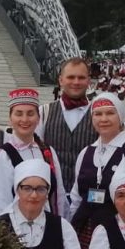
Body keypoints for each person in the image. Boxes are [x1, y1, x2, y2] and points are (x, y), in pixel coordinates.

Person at [68, 92, 125, 249]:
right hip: (84, 230)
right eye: (98, 114)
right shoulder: (86, 152)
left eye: (110, 113)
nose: (103, 119)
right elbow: (76, 197)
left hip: (122, 233)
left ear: (121, 116)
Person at [0, 88, 66, 218]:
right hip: (16, 227)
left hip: (48, 225)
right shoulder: (3, 156)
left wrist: (60, 224)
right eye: (19, 114)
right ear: (10, 119)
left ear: (38, 118)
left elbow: (59, 196)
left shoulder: (48, 151)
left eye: (30, 114)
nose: (25, 119)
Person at [36, 57, 96, 203]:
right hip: (53, 196)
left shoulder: (99, 114)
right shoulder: (44, 112)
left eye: (81, 77)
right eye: (71, 77)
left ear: (88, 81)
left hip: (87, 197)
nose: (76, 82)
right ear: (61, 80)